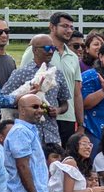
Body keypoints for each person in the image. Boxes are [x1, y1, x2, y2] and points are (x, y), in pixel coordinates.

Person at [19, 12, 83, 144]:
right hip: (42, 116)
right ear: (52, 27)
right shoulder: (35, 50)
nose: (69, 30)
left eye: (72, 27)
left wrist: (80, 123)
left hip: (67, 117)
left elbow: (77, 93)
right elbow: (23, 80)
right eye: (65, 26)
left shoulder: (73, 57)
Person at [1, 34, 71, 145]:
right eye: (47, 48)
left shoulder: (57, 73)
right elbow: (3, 98)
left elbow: (65, 103)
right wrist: (26, 99)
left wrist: (57, 110)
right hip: (28, 133)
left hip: (51, 133)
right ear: (34, 50)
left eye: (53, 48)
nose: (51, 52)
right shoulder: (22, 73)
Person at [1, 94, 52, 192]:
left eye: (41, 106)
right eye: (34, 107)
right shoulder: (20, 132)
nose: (40, 110)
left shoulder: (29, 131)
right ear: (22, 110)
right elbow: (22, 166)